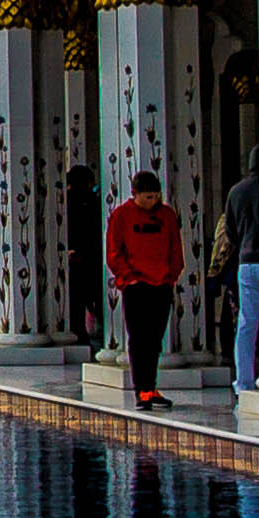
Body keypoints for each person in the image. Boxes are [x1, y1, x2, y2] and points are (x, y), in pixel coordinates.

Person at [105, 166, 184, 408]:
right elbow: (114, 251)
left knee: (154, 339)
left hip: (161, 285)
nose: (152, 201)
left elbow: (175, 249)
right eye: (147, 197)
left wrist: (170, 277)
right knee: (138, 339)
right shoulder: (122, 215)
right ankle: (142, 390)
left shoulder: (167, 216)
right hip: (136, 286)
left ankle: (151, 387)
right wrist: (128, 279)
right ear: (135, 194)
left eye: (155, 196)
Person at [221, 165, 259, 392]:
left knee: (246, 325)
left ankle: (243, 383)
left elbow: (229, 230)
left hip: (246, 261)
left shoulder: (236, 191)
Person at [63, 162, 106, 345]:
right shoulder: (93, 202)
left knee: (79, 299)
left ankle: (80, 332)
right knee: (92, 296)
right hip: (92, 256)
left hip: (81, 257)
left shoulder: (67, 202)